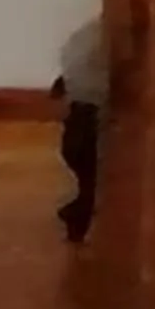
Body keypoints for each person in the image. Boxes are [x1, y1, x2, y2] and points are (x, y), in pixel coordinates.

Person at [55, 18, 105, 244]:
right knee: (78, 150)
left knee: (81, 150)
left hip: (90, 107)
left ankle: (86, 205)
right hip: (86, 102)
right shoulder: (92, 37)